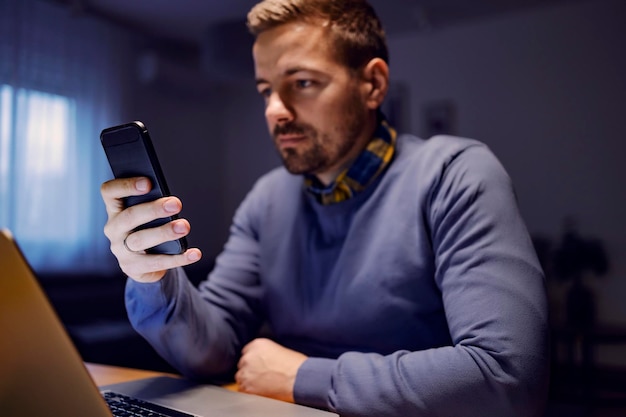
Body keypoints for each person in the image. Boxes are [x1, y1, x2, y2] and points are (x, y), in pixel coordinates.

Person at [100, 0, 550, 415]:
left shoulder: (455, 174)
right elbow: (210, 350)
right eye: (265, 90)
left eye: (303, 83)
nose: (276, 110)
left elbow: (508, 375)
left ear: (372, 84)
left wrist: (302, 377)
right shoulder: (268, 199)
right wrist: (153, 275)